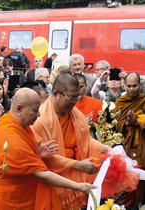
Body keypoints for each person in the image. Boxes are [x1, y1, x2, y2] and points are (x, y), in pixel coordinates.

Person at [0, 88, 95, 209]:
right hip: (14, 200)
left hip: (22, 191)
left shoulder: (10, 121)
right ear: (19, 109)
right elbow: (42, 174)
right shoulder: (11, 137)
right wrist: (79, 186)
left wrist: (36, 153)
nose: (39, 115)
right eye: (35, 110)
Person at [31, 74, 110, 209]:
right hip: (52, 179)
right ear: (56, 93)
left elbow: (84, 140)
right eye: (71, 97)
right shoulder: (40, 119)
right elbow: (45, 157)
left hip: (73, 176)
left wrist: (107, 149)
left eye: (77, 97)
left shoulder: (74, 114)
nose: (75, 102)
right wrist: (77, 165)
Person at [114, 73, 145, 169]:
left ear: (140, 85)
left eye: (134, 85)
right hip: (123, 146)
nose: (131, 89)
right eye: (129, 86)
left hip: (144, 145)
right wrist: (127, 123)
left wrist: (137, 121)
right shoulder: (119, 102)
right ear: (124, 86)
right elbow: (114, 123)